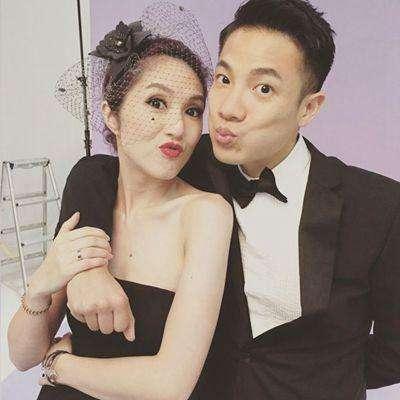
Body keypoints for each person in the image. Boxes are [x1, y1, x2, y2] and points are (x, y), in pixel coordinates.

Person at [63, 0, 400, 399]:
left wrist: (328, 376)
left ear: (308, 108)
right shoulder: (185, 159)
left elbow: (394, 351)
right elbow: (100, 171)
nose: (228, 109)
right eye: (224, 79)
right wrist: (89, 267)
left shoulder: (378, 206)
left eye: (263, 88)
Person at [7, 10, 233, 400]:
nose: (178, 127)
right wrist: (42, 285)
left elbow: (171, 385)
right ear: (111, 115)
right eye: (157, 102)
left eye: (193, 110)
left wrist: (60, 366)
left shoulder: (206, 214)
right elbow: (23, 355)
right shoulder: (90, 197)